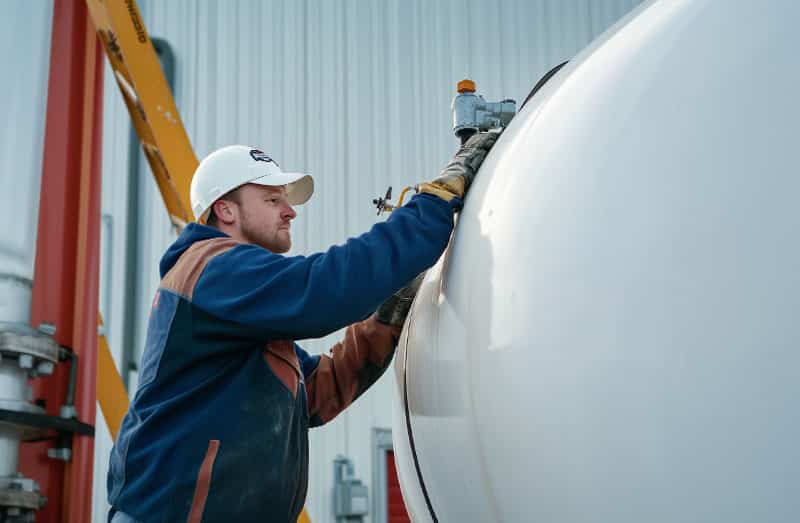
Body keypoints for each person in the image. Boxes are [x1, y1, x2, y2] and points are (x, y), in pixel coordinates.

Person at [107, 132, 498, 522]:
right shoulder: (211, 266)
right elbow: (321, 289)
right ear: (226, 211)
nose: (289, 211)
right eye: (272, 199)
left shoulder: (241, 306)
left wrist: (387, 318)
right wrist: (432, 205)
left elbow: (314, 390)